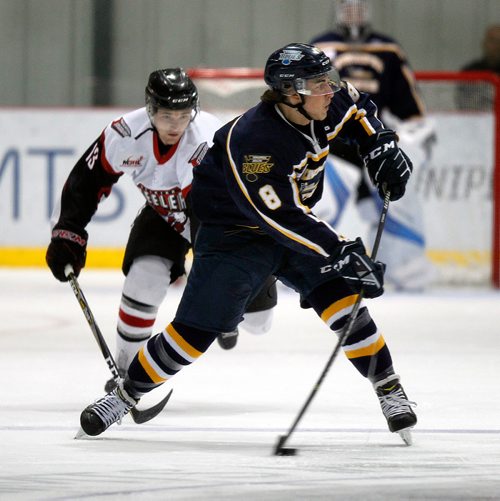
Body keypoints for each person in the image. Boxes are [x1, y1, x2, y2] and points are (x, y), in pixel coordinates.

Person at [79, 43, 417, 443]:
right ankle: (126, 394)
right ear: (291, 93)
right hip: (234, 234)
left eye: (327, 80)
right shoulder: (256, 143)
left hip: (293, 223)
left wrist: (379, 144)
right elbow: (280, 216)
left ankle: (389, 387)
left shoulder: (324, 100)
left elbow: (359, 110)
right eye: (318, 84)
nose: (330, 89)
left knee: (345, 304)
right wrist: (342, 251)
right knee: (193, 333)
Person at [46, 68, 277, 390]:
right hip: (164, 215)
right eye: (167, 115)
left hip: (226, 221)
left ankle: (233, 316)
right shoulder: (124, 133)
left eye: (183, 116)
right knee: (143, 277)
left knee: (259, 323)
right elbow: (86, 182)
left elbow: (206, 213)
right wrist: (68, 232)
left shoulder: (207, 138)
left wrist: (219, 285)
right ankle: (128, 375)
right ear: (150, 110)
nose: (175, 125)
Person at [310, 0, 436, 291]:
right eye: (347, 6)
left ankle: (404, 268)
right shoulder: (320, 46)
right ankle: (305, 266)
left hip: (374, 142)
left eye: (359, 6)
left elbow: (410, 107)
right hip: (332, 144)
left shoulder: (388, 49)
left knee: (397, 204)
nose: (353, 12)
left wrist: (413, 134)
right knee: (319, 205)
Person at [456, 25, 500, 110]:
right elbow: (463, 101)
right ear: (484, 43)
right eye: (492, 41)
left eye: (499, 41)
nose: (497, 46)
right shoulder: (470, 71)